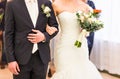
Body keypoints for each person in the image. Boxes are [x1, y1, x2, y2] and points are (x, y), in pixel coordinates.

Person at [46, 0, 103, 79]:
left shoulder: (84, 6)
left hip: (80, 46)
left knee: (82, 71)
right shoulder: (56, 4)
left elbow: (90, 25)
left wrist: (87, 28)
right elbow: (46, 22)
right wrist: (47, 28)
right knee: (63, 72)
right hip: (64, 46)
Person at [5, 0, 58, 79]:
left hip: (41, 57)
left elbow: (55, 27)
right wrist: (11, 60)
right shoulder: (12, 5)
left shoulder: (46, 3)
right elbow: (9, 34)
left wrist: (44, 36)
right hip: (20, 57)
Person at [0, 0, 7, 69]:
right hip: (5, 28)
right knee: (5, 46)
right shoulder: (2, 4)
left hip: (16, 29)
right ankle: (3, 61)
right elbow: (0, 17)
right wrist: (1, 28)